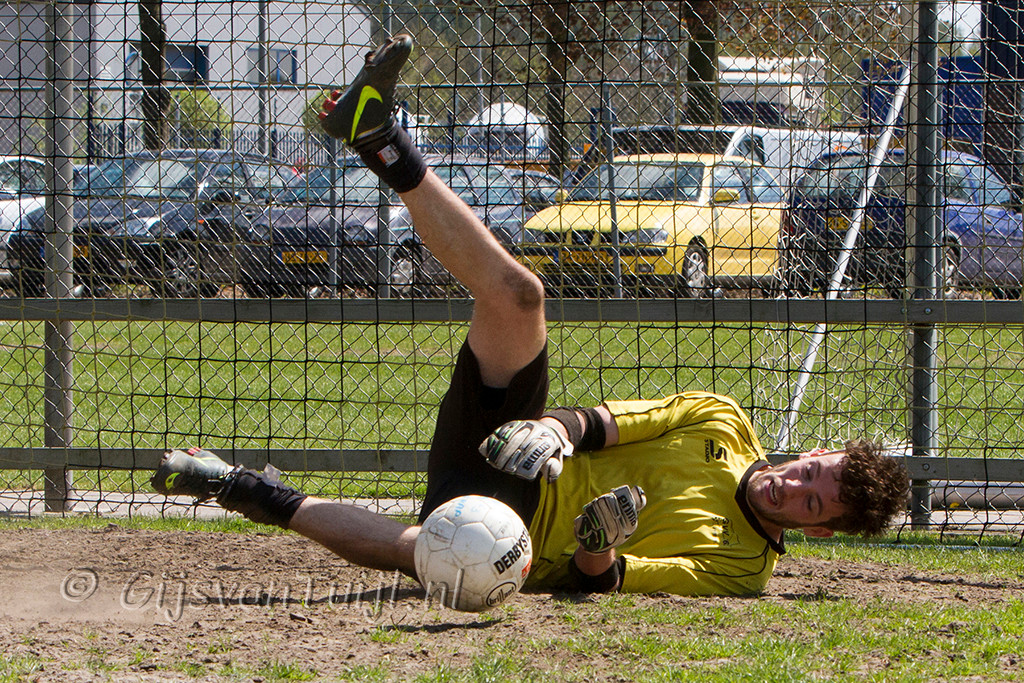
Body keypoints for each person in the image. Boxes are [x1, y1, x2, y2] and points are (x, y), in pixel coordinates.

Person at [151, 34, 910, 597]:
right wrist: (552, 430)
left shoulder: (741, 567)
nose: (793, 486)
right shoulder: (724, 421)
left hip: (517, 538)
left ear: (817, 528)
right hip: (521, 449)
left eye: (811, 501)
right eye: (811, 471)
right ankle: (378, 136)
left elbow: (604, 578)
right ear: (817, 451)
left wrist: (598, 541)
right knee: (521, 296)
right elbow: (609, 424)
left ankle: (236, 486)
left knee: (440, 551)